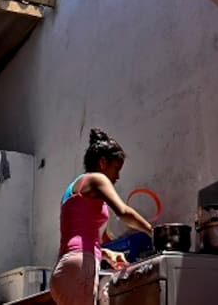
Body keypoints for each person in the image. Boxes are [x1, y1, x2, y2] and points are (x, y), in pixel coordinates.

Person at [50, 128, 152, 305]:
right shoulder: (97, 178)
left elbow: (78, 240)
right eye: (116, 168)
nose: (117, 176)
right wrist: (152, 231)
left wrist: (106, 254)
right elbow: (123, 212)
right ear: (103, 163)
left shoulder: (74, 188)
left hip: (64, 271)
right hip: (79, 269)